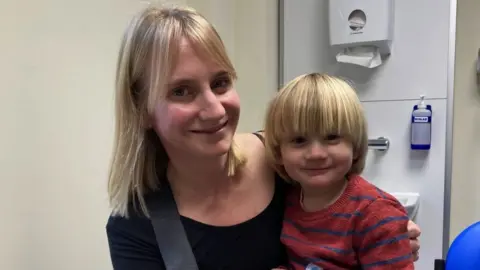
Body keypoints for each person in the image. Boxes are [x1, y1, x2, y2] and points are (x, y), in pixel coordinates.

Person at [105, 5, 421, 270]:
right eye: (181, 91)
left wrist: (387, 235)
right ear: (141, 109)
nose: (215, 110)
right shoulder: (136, 228)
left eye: (220, 82)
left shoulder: (286, 157)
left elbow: (356, 212)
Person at [264, 73, 415, 270]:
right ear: (279, 152)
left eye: (332, 137)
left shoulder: (376, 216)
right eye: (299, 140)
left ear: (355, 144)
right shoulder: (290, 198)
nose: (315, 154)